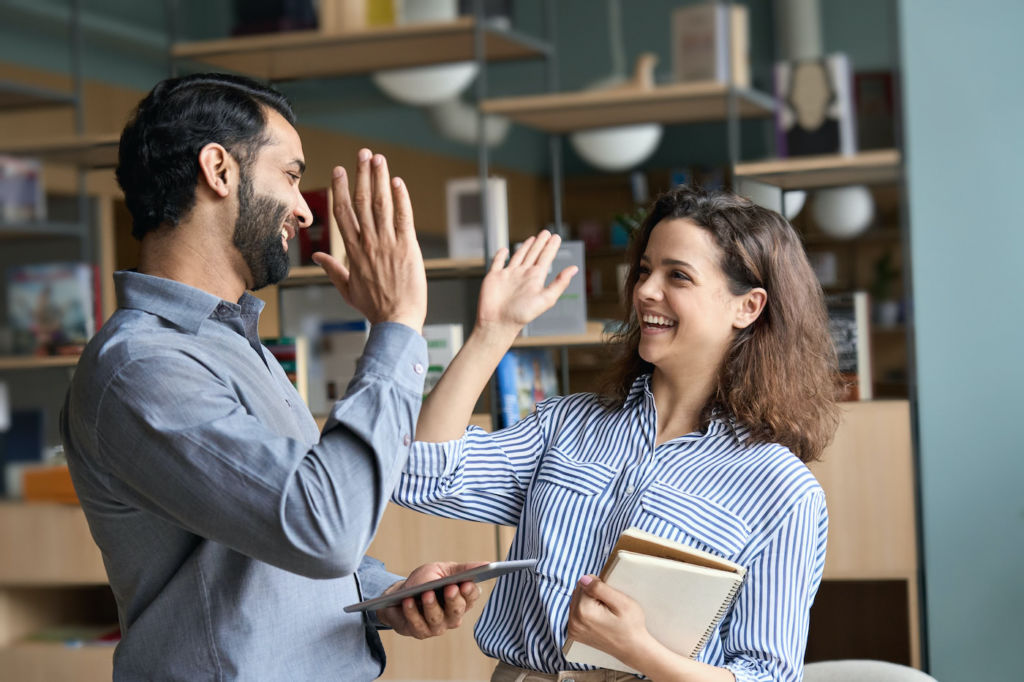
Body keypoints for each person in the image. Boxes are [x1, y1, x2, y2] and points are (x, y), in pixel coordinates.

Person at [60, 73, 486, 681]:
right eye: (289, 175)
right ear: (220, 170)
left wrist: (385, 592)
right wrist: (397, 324)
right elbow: (324, 527)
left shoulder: (233, 341)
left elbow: (268, 523)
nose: (303, 206)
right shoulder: (142, 368)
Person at [393, 186, 843, 681]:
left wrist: (638, 650)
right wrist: (493, 331)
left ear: (748, 307)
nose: (647, 291)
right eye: (646, 270)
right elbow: (421, 475)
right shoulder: (566, 424)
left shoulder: (782, 491)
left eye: (679, 276)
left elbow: (768, 676)